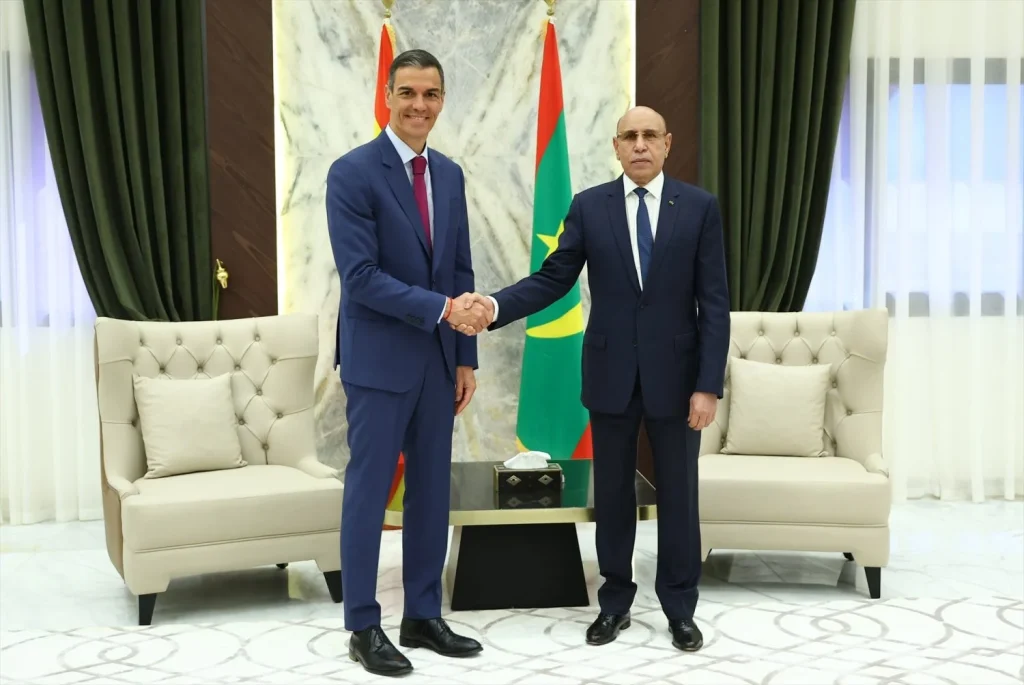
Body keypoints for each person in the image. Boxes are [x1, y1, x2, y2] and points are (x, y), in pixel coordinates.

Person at [454, 106, 730, 652]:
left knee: (679, 497)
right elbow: (553, 280)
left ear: (668, 143)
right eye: (630, 136)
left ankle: (680, 607)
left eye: (651, 135)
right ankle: (615, 602)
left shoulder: (698, 208)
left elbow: (715, 304)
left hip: (679, 382)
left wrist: (708, 385)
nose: (641, 145)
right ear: (616, 146)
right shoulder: (589, 207)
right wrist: (492, 304)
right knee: (613, 497)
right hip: (610, 376)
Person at [325, 49, 491, 677]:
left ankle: (422, 614)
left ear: (442, 101)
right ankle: (363, 625)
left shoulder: (449, 174)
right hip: (379, 361)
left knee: (429, 493)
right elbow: (361, 277)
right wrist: (446, 310)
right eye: (408, 94)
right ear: (387, 97)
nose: (419, 105)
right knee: (369, 494)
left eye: (431, 94)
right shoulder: (352, 173)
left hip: (440, 361)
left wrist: (466, 354)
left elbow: (461, 270)